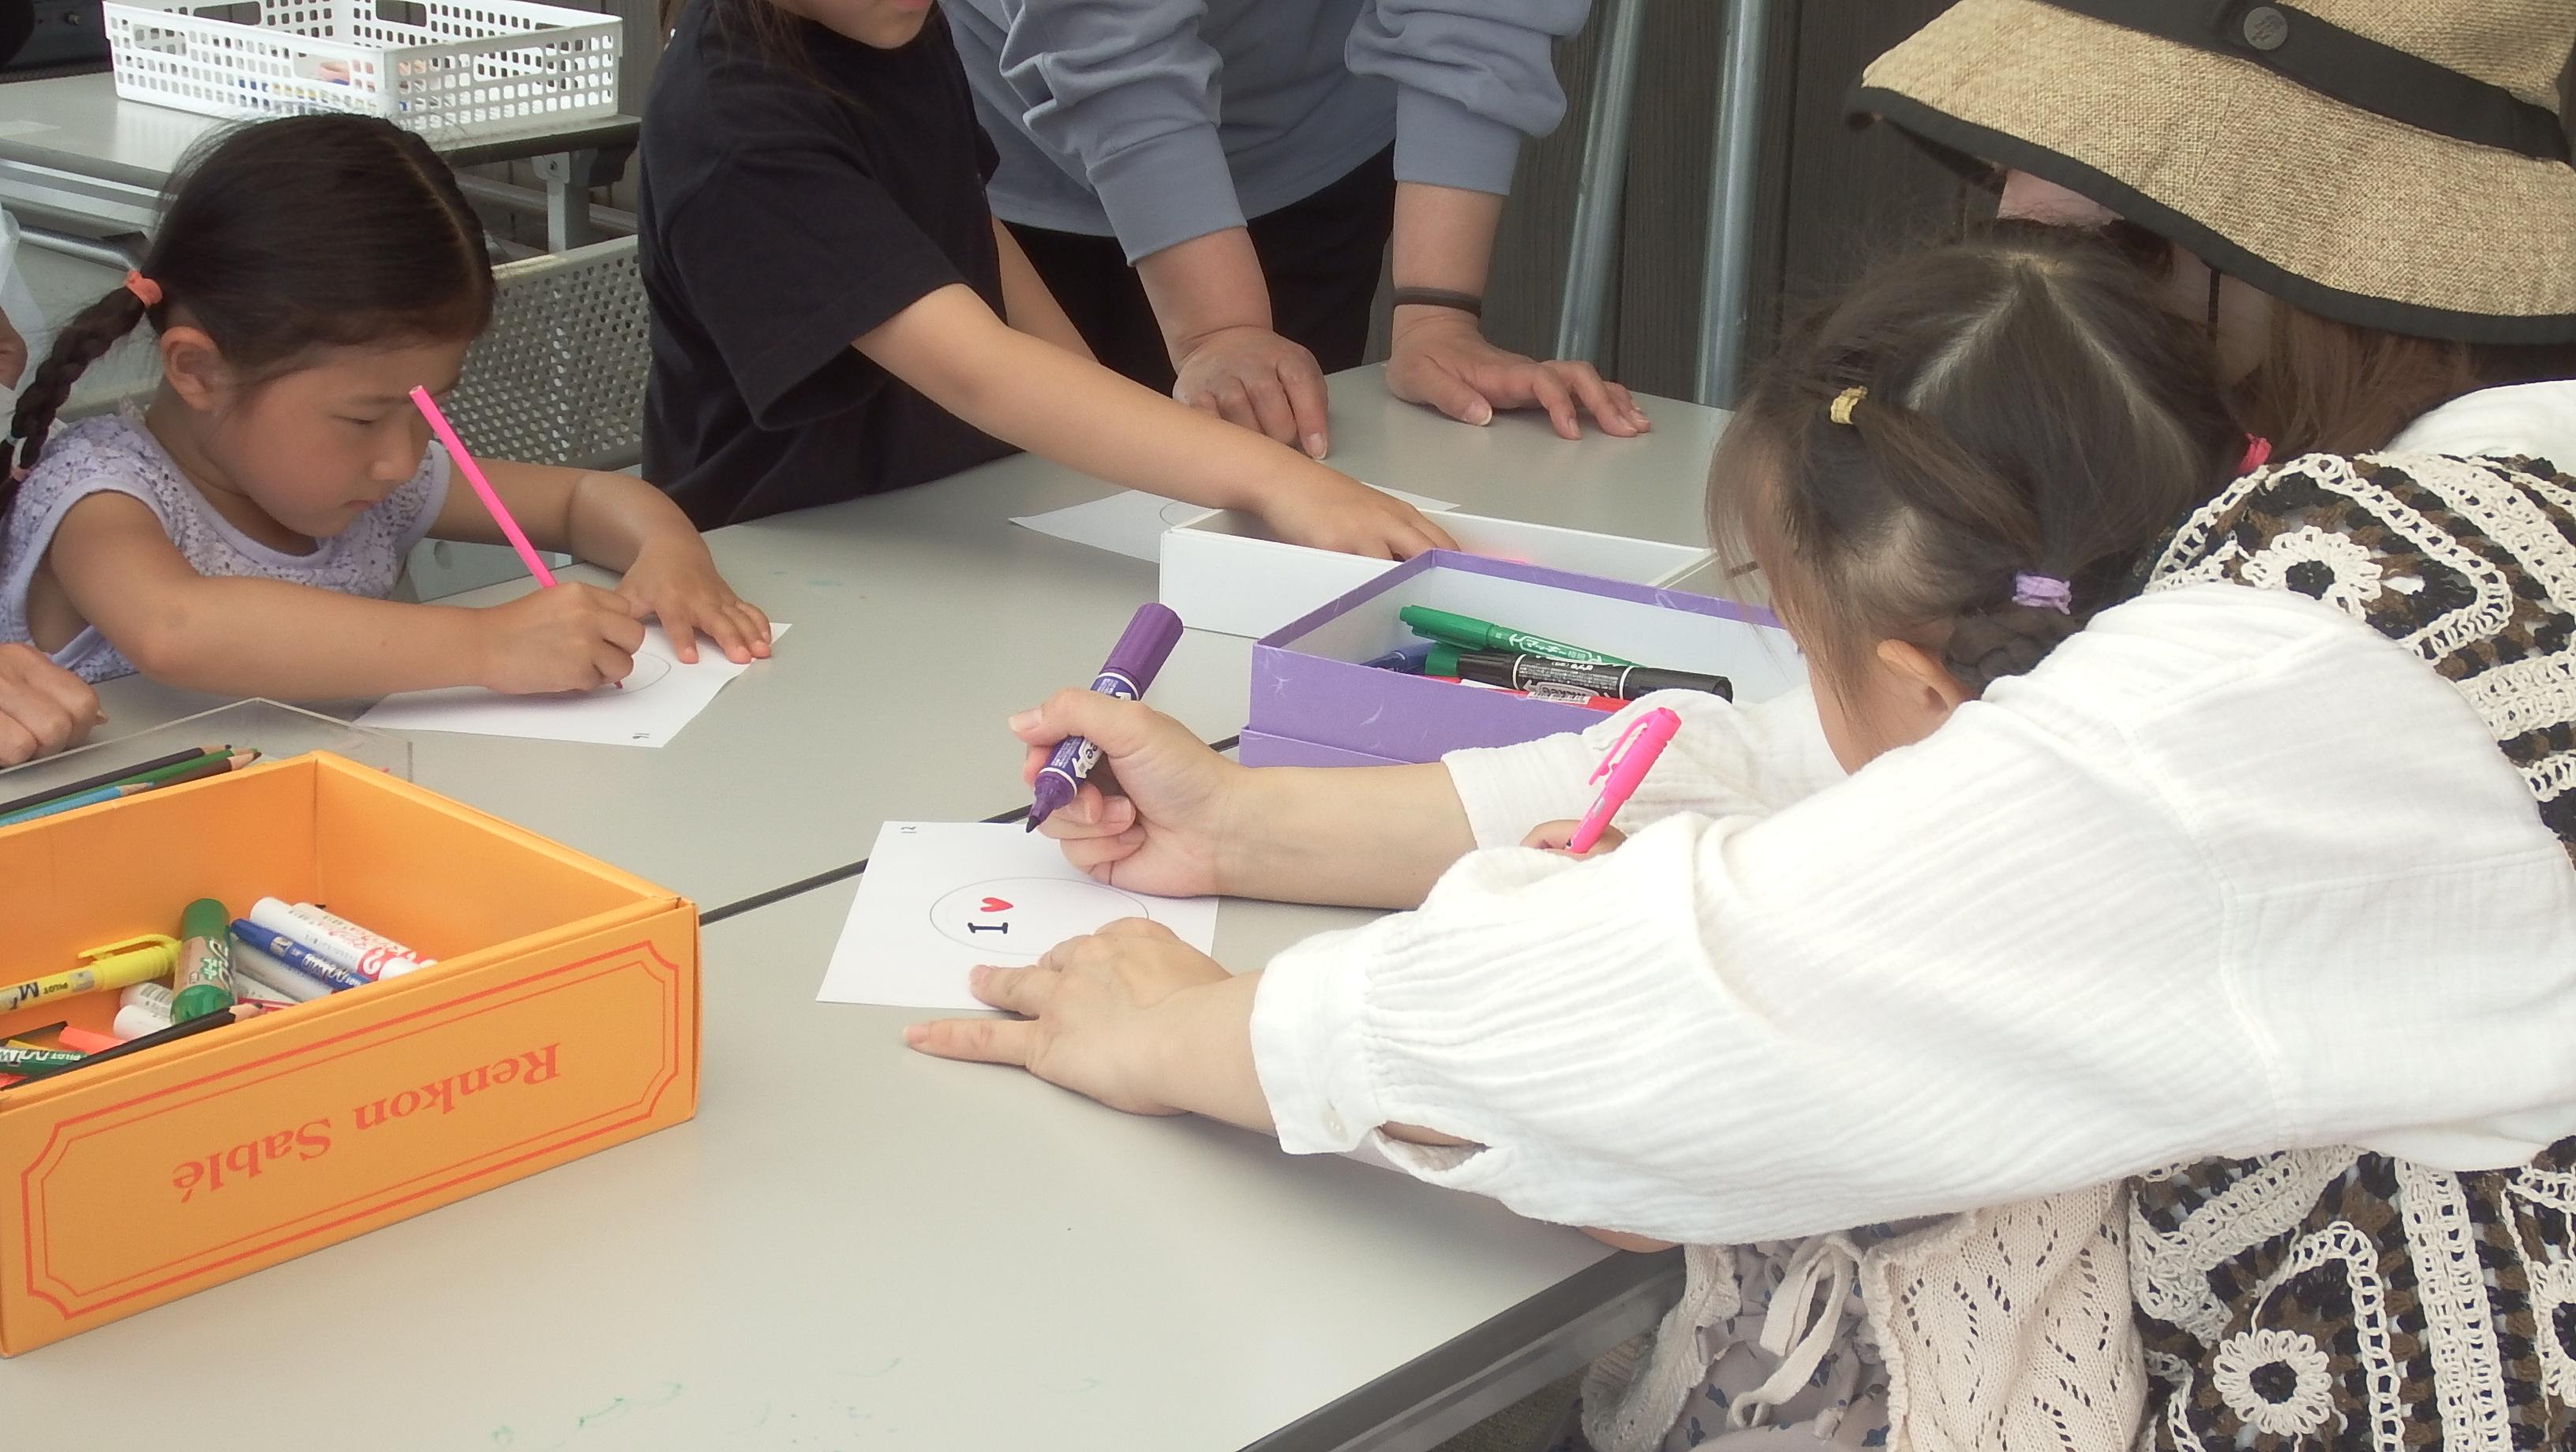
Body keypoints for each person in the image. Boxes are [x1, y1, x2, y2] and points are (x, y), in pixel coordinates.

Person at [638, 0, 1456, 562]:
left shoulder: (890, 22)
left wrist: (1092, 440)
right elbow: (976, 368)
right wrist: (1280, 482)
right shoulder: (738, 129)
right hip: (783, 553)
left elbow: (962, 218)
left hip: (955, 513)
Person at [2, 114, 770, 701]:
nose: (403, 459)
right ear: (200, 371)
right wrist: (487, 644)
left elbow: (584, 499)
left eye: (426, 411)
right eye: (365, 418)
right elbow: (178, 629)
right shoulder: (101, 493)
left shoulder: (374, 479)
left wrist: (671, 556)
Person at [945, 0, 1649, 455]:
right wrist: (1220, 331)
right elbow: (1101, 34)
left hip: (1306, 148)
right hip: (994, 161)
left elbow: (1479, 16)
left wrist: (1438, 319)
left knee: (1273, 498)